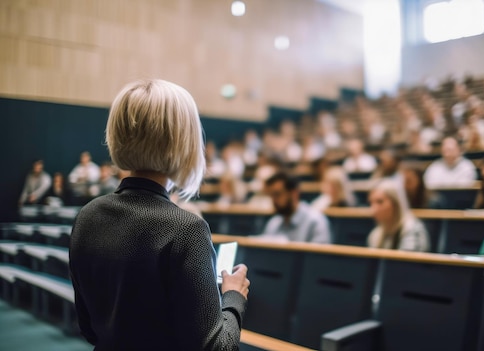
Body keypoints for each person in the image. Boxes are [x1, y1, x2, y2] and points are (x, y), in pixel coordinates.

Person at [69, 79, 249, 350]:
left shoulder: (87, 215)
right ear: (183, 142)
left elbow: (89, 328)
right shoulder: (185, 229)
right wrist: (234, 296)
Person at [259, 172, 332, 243]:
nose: (273, 200)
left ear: (294, 193)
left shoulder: (315, 222)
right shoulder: (274, 223)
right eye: (271, 195)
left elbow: (319, 255)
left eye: (277, 194)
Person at [367, 180, 430, 251]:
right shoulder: (375, 235)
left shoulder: (413, 230)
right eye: (371, 203)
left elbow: (406, 261)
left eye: (380, 202)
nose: (373, 209)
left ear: (396, 204)